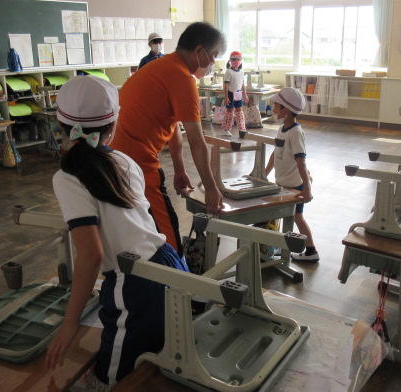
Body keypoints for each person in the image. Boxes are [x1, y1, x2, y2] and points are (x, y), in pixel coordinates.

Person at [45, 75, 188, 390]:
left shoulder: (67, 178)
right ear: (112, 127)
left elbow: (92, 255)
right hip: (169, 263)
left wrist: (70, 323)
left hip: (134, 283)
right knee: (159, 352)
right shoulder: (124, 160)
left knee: (109, 380)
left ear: (60, 127)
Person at [110, 22, 225, 253]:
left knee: (137, 222)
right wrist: (211, 188)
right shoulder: (182, 78)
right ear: (200, 51)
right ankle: (175, 273)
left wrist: (180, 170)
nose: (214, 63)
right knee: (167, 231)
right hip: (136, 162)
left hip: (115, 155)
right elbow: (197, 142)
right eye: (214, 56)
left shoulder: (163, 66)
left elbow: (173, 128)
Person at [264, 87, 319, 262]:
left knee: (297, 217)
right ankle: (284, 248)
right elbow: (275, 154)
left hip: (296, 186)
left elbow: (301, 162)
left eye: (276, 105)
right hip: (284, 184)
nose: (273, 108)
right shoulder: (282, 129)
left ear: (285, 110)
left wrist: (307, 189)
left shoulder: (295, 132)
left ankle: (311, 251)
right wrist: (264, 174)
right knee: (288, 216)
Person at [221, 51, 249, 137]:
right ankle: (226, 129)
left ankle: (242, 129)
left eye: (238, 59)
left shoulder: (241, 72)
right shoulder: (228, 72)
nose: (236, 61)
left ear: (240, 60)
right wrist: (226, 97)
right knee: (229, 112)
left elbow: (242, 84)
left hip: (238, 94)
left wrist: (245, 94)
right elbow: (226, 85)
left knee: (239, 112)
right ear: (230, 61)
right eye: (233, 59)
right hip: (230, 94)